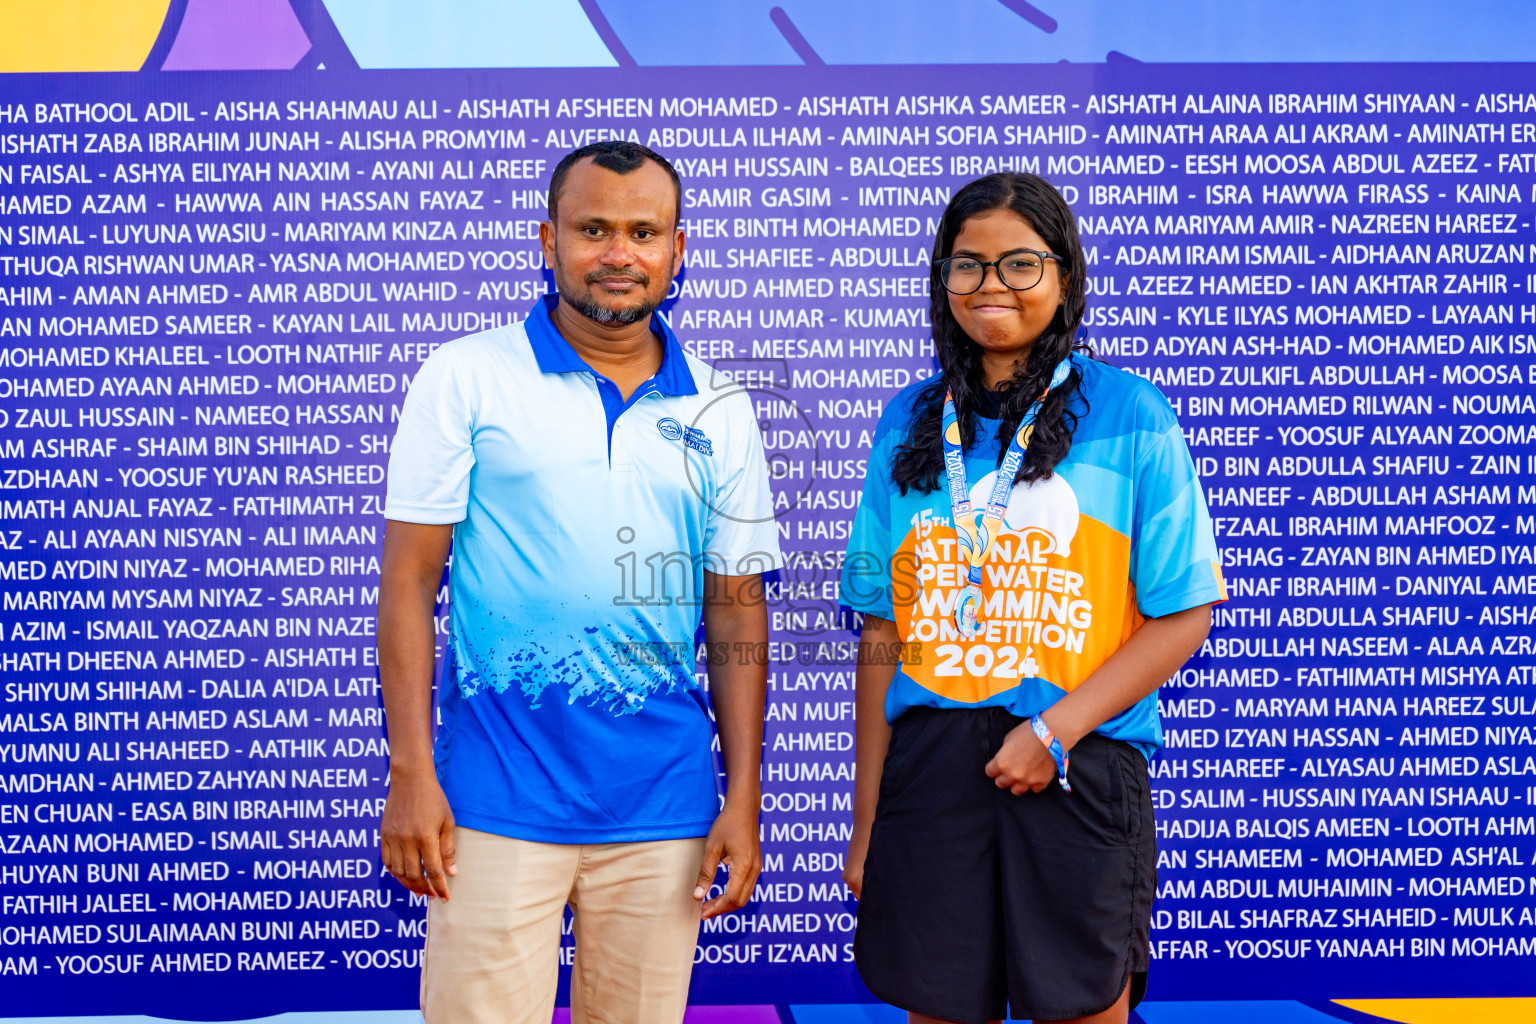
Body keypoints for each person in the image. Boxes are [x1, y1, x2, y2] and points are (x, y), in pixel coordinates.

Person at [377, 140, 780, 1024]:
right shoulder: (466, 375)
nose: (618, 252)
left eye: (644, 231)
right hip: (491, 796)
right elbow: (408, 585)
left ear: (678, 250)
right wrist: (411, 769)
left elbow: (736, 607)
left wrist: (743, 795)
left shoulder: (721, 404)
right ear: (548, 240)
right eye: (593, 228)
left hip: (664, 802)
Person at [839, 172, 1225, 1024]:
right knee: (935, 1008)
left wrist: (1054, 731)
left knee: (1085, 1010)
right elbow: (880, 631)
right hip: (932, 769)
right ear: (942, 280)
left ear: (1064, 276)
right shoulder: (908, 418)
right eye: (967, 265)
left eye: (1020, 264)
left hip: (1074, 761)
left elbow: (1184, 615)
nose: (991, 287)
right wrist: (867, 818)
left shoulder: (1130, 412)